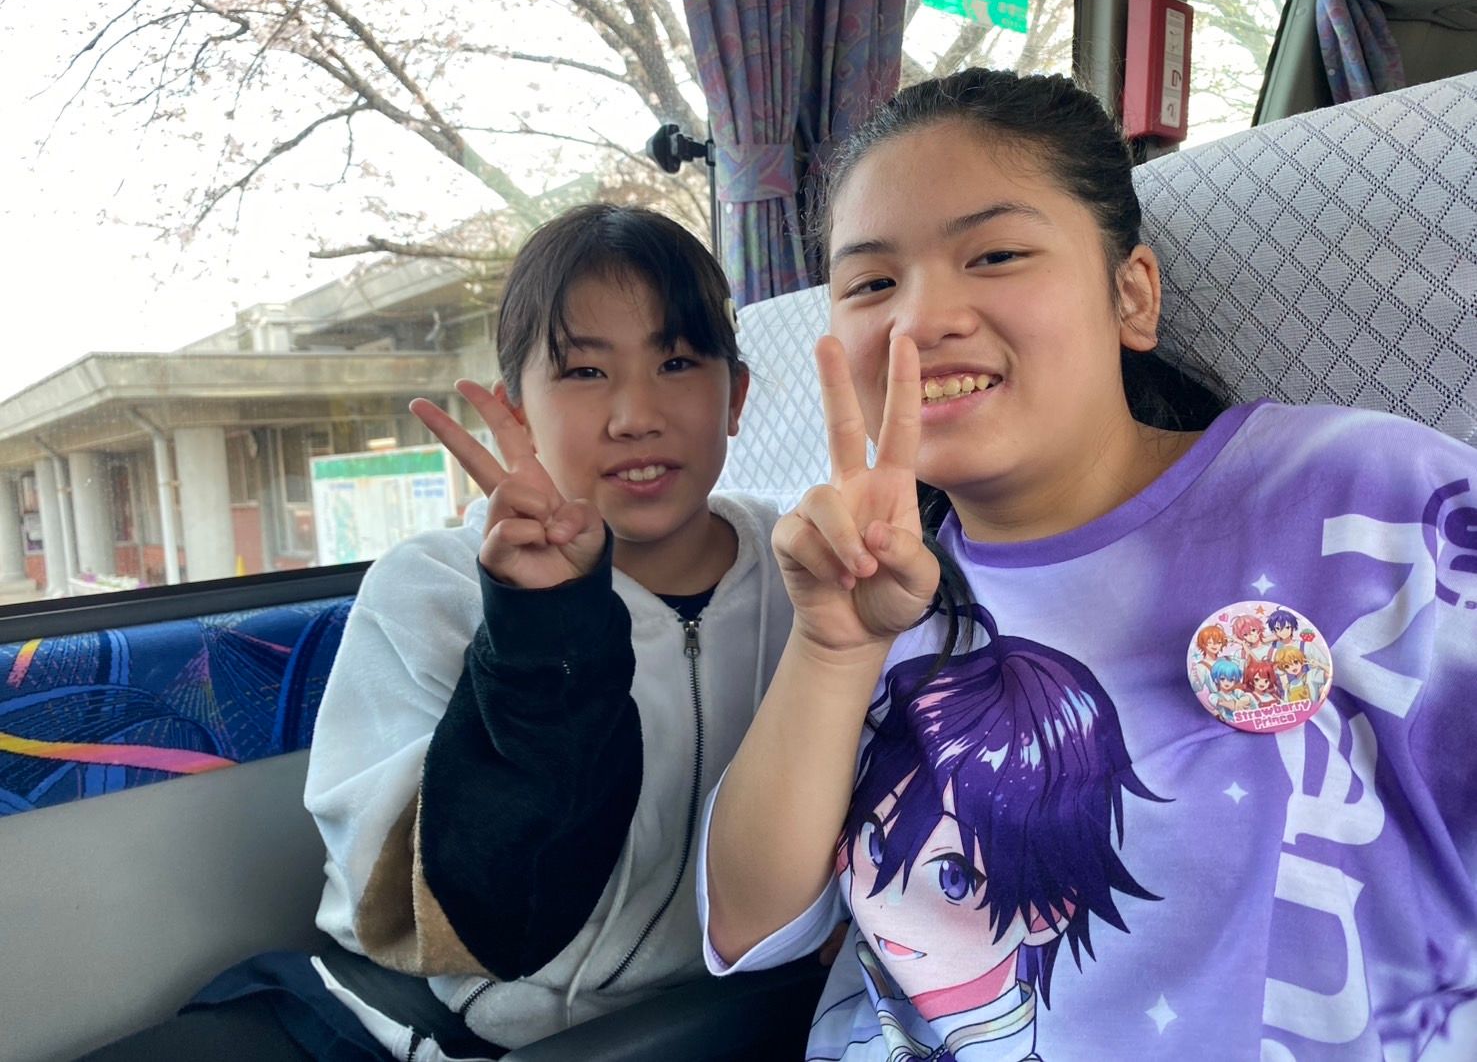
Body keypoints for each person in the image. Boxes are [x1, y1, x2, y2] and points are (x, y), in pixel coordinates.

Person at [697, 68, 1477, 1061]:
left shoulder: (1364, 495)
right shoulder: (868, 589)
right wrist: (833, 646)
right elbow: (748, 927)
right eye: (872, 284)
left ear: (1131, 294)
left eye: (994, 255)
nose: (919, 320)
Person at [78, 204, 791, 1062]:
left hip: (729, 1016)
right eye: (582, 371)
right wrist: (543, 632)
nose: (635, 414)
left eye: (676, 362)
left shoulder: (805, 572)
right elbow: (438, 910)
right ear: (516, 413)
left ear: (734, 395)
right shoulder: (433, 586)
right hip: (441, 1021)